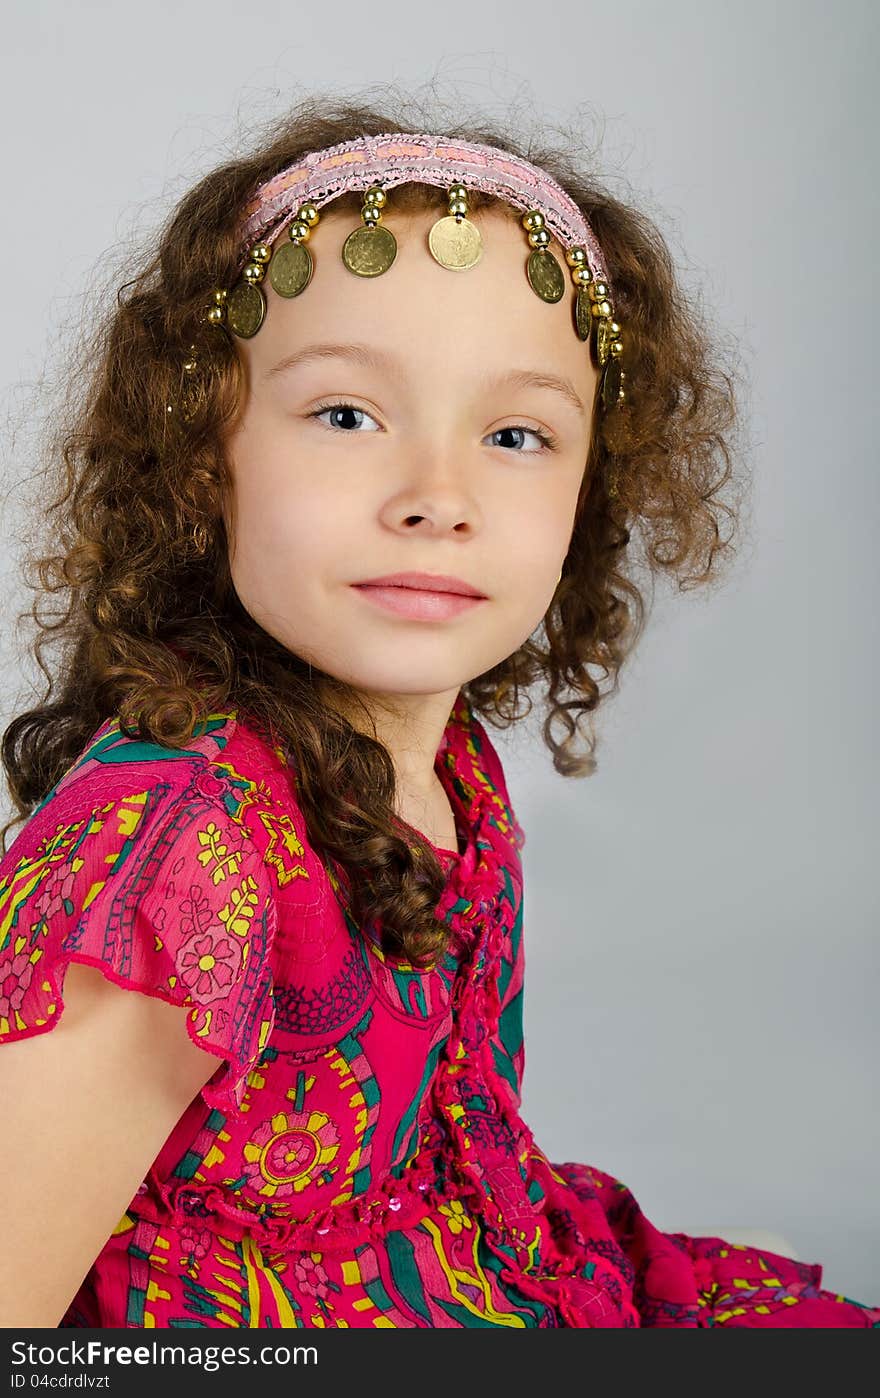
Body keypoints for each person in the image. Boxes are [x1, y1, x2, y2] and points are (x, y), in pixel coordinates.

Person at [0, 99, 876, 1330]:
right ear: (206, 456)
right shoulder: (176, 852)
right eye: (347, 415)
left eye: (516, 434)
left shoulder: (439, 761)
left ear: (589, 490)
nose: (438, 498)